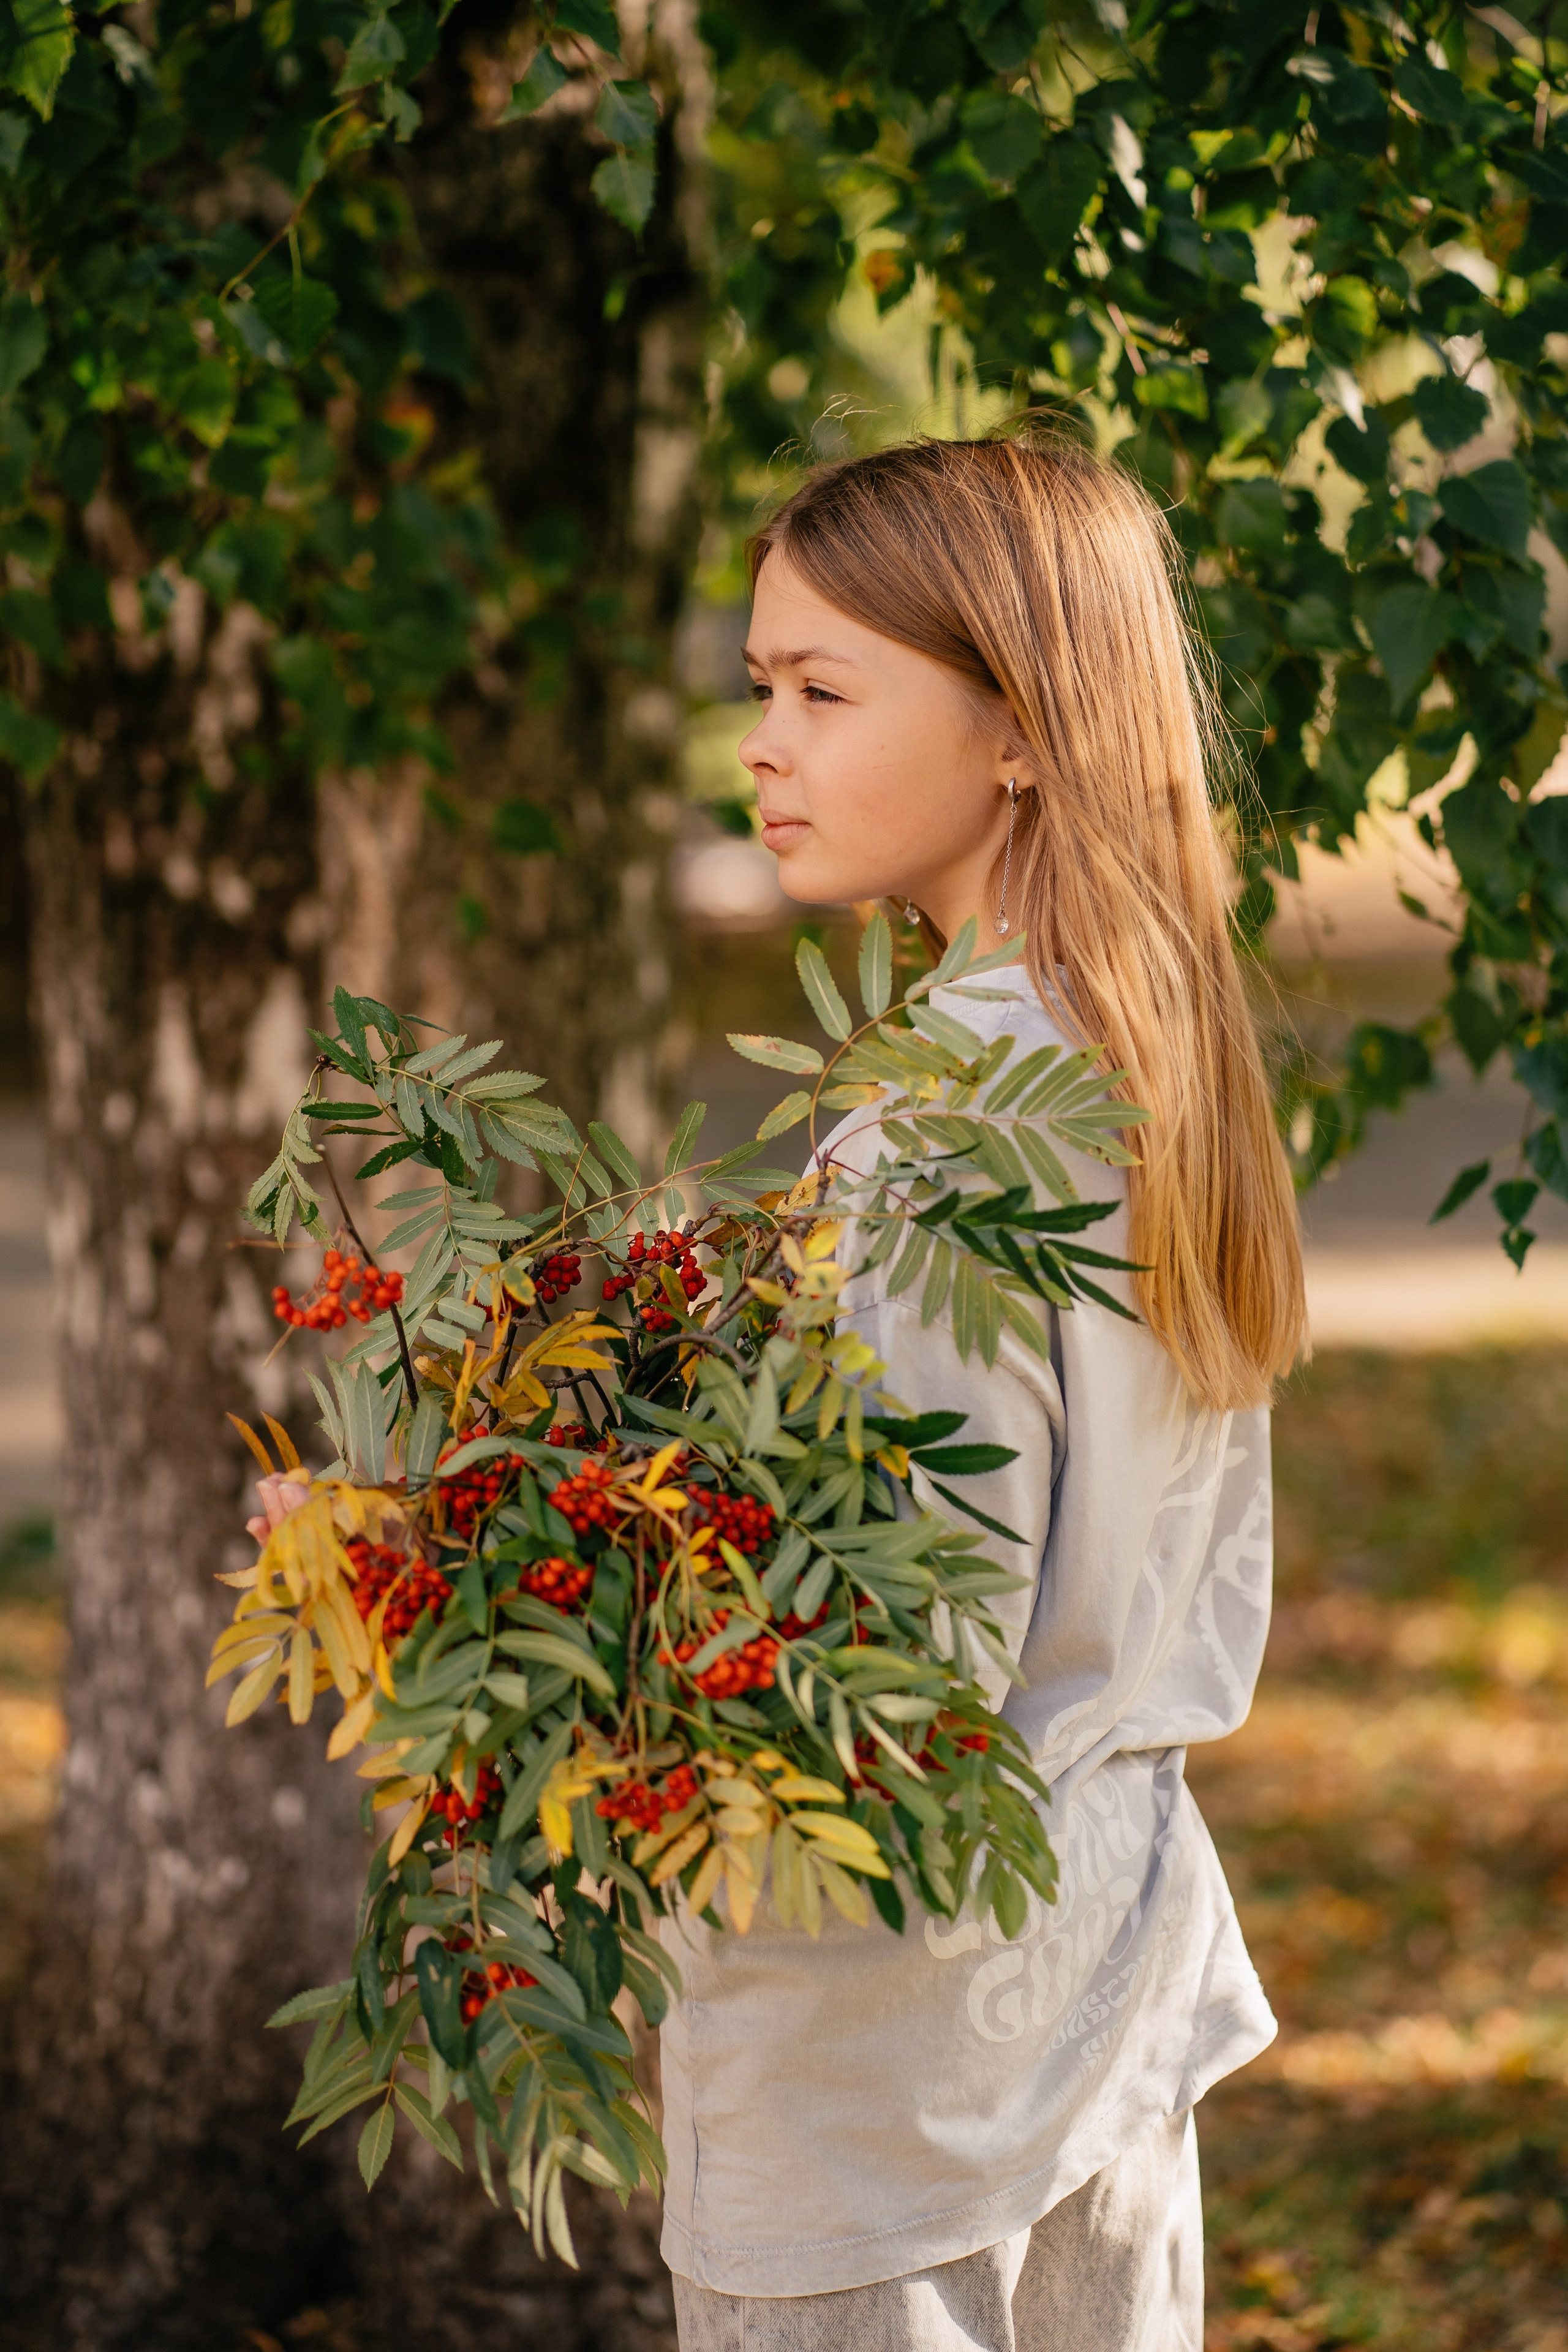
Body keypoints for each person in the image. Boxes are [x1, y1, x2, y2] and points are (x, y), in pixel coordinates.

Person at [658, 428, 1306, 2352]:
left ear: (1020, 725)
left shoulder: (942, 1147)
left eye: (820, 689)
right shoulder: (1134, 1066)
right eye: (757, 687)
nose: (760, 740)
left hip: (886, 2077)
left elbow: (887, 1675)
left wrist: (477, 1595)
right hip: (1101, 1972)